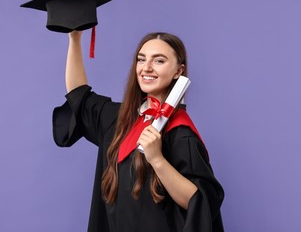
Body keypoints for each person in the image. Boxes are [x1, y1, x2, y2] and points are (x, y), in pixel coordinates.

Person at [52, 31, 224, 232]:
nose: (146, 67)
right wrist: (75, 39)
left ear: (179, 71)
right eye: (141, 60)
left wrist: (157, 159)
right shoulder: (118, 119)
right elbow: (79, 96)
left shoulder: (180, 133)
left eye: (159, 61)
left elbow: (199, 202)